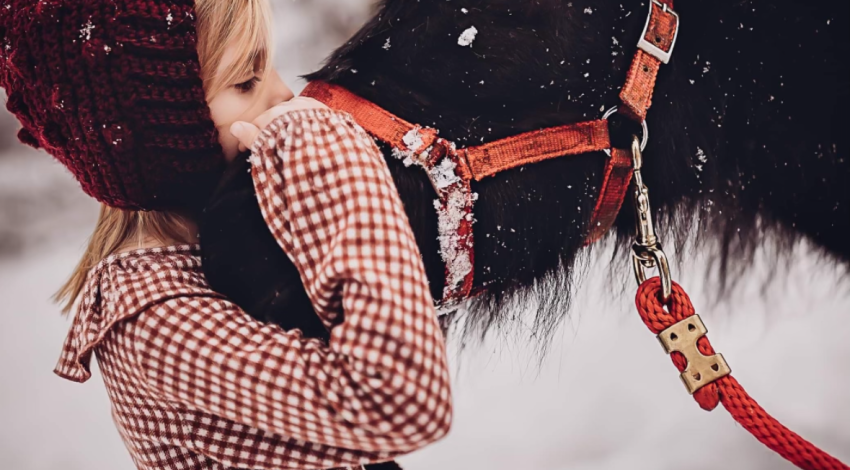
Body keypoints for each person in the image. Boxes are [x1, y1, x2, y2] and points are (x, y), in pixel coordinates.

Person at [0, 1, 452, 469]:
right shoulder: (154, 319)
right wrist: (328, 149)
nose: (284, 94)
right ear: (157, 128)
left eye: (270, 69)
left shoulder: (235, 239)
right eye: (244, 82)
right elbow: (400, 402)